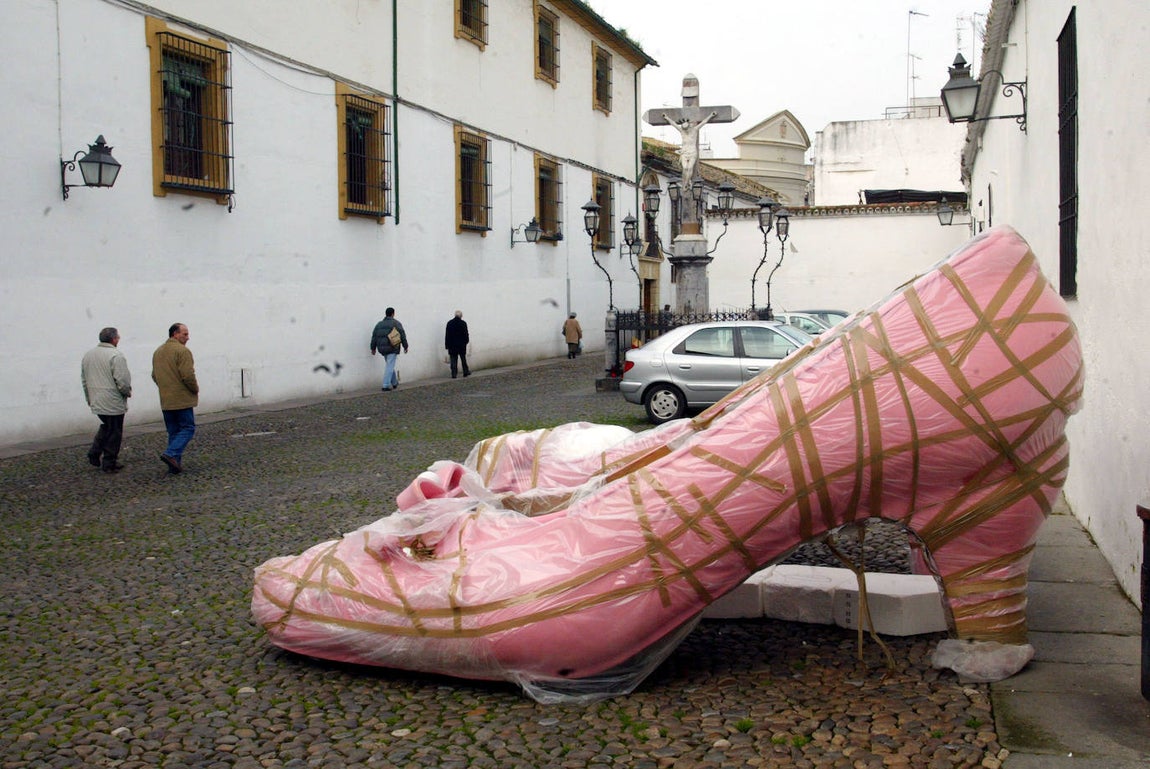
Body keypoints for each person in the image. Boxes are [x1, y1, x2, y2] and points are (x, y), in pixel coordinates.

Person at [81, 327, 132, 473]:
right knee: (115, 431)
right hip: (112, 400)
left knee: (106, 426)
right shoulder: (116, 356)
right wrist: (127, 392)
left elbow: (84, 379)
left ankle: (95, 452)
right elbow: (122, 380)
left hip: (97, 398)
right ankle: (109, 461)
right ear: (114, 339)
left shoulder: (88, 355)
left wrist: (89, 397)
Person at [152, 323, 198, 474]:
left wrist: (165, 387)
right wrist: (194, 389)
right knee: (187, 428)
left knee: (173, 431)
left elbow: (154, 375)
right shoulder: (182, 351)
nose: (188, 337)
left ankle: (174, 464)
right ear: (175, 334)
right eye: (185, 334)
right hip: (181, 398)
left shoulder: (158, 351)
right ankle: (171, 454)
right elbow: (187, 375)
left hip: (166, 399)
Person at [370, 307, 408, 391]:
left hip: (382, 348)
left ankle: (394, 382)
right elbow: (402, 335)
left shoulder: (379, 324)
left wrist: (373, 348)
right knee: (390, 366)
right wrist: (405, 346)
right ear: (393, 314)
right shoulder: (396, 323)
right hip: (392, 347)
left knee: (389, 364)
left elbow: (374, 337)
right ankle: (385, 385)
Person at [444, 310, 470, 379]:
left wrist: (447, 345)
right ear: (461, 316)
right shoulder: (463, 323)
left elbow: (447, 335)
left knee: (453, 360)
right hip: (461, 345)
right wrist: (466, 341)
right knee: (463, 359)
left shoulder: (449, 323)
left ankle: (454, 373)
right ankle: (465, 372)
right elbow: (466, 334)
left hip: (452, 345)